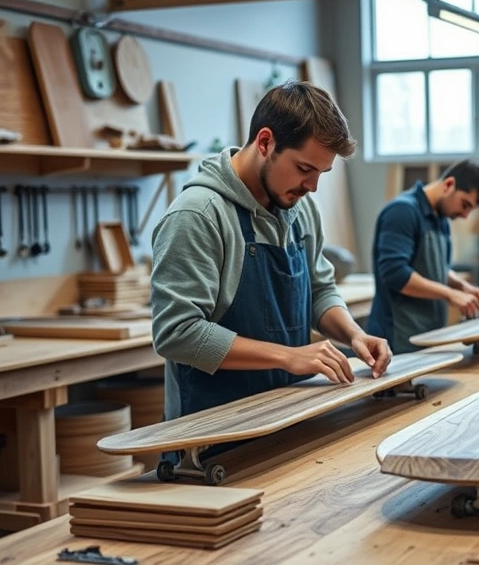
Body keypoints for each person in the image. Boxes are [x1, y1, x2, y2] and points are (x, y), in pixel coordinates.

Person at [151, 80, 392, 426]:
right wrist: (288, 357)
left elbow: (320, 292)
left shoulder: (300, 209)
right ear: (265, 142)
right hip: (213, 434)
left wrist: (354, 334)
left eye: (322, 173)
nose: (312, 187)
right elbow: (177, 333)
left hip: (288, 420)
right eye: (304, 169)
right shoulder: (198, 216)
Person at [367, 160, 479, 353]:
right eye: (465, 204)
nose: (465, 215)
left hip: (427, 334)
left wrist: (463, 287)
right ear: (449, 184)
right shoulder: (402, 212)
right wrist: (450, 295)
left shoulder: (441, 218)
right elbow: (395, 274)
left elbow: (436, 267)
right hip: (397, 338)